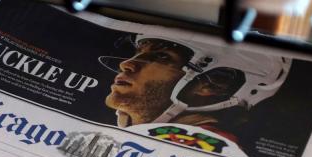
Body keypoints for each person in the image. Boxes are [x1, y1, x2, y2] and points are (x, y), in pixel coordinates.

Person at [101, 35, 289, 148]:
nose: (125, 64)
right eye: (138, 52)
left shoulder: (212, 147)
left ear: (213, 85)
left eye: (161, 57)